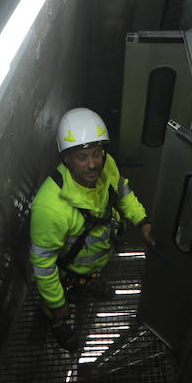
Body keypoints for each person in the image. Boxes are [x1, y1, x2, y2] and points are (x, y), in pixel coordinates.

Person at [30, 107, 154, 352]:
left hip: (95, 261)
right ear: (66, 158)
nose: (93, 164)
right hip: (66, 272)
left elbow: (122, 193)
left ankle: (88, 282)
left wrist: (142, 221)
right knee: (57, 307)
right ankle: (57, 322)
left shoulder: (108, 165)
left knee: (88, 276)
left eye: (97, 153)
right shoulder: (50, 207)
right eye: (82, 157)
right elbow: (43, 265)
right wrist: (57, 304)